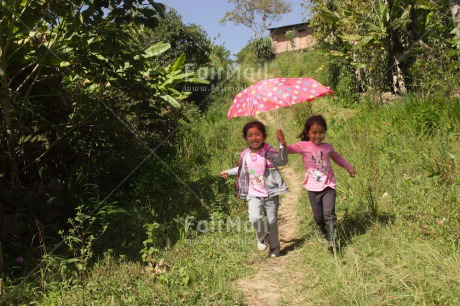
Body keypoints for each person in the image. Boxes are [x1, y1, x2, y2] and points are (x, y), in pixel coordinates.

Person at [277, 115, 355, 251]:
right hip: (312, 189)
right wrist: (282, 143)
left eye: (321, 132)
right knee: (318, 218)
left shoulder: (327, 147)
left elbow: (337, 158)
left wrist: (348, 167)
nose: (318, 135)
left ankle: (333, 239)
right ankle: (326, 234)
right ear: (308, 133)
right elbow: (287, 150)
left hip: (328, 185)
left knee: (329, 214)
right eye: (314, 133)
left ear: (325, 132)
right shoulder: (303, 146)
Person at [220, 121, 288, 257]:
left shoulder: (268, 151)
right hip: (253, 194)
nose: (253, 138)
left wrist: (282, 145)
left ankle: (275, 248)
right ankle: (262, 236)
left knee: (272, 221)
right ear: (246, 138)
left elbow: (282, 161)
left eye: (257, 134)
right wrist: (229, 171)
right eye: (250, 135)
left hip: (270, 193)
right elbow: (240, 169)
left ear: (264, 137)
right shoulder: (244, 154)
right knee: (254, 218)